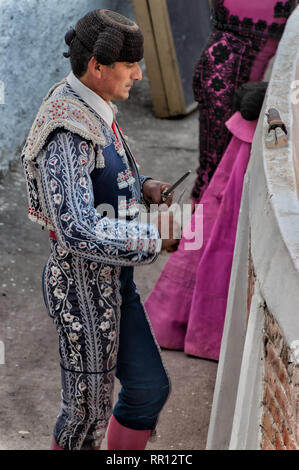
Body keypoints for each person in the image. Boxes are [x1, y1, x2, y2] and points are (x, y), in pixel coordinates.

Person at [21, 9, 179, 451]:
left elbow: (103, 172)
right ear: (98, 67)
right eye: (130, 66)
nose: (140, 74)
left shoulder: (93, 103)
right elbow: (76, 228)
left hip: (114, 286)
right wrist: (154, 238)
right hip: (82, 294)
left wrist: (141, 185)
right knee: (85, 416)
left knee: (148, 389)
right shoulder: (65, 128)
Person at [145, 82, 268, 361]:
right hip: (242, 108)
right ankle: (195, 325)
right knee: (216, 215)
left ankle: (182, 319)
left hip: (243, 107)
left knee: (214, 211)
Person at [191, 0, 297, 203]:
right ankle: (199, 231)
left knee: (221, 173)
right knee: (216, 173)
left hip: (229, 75)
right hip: (222, 78)